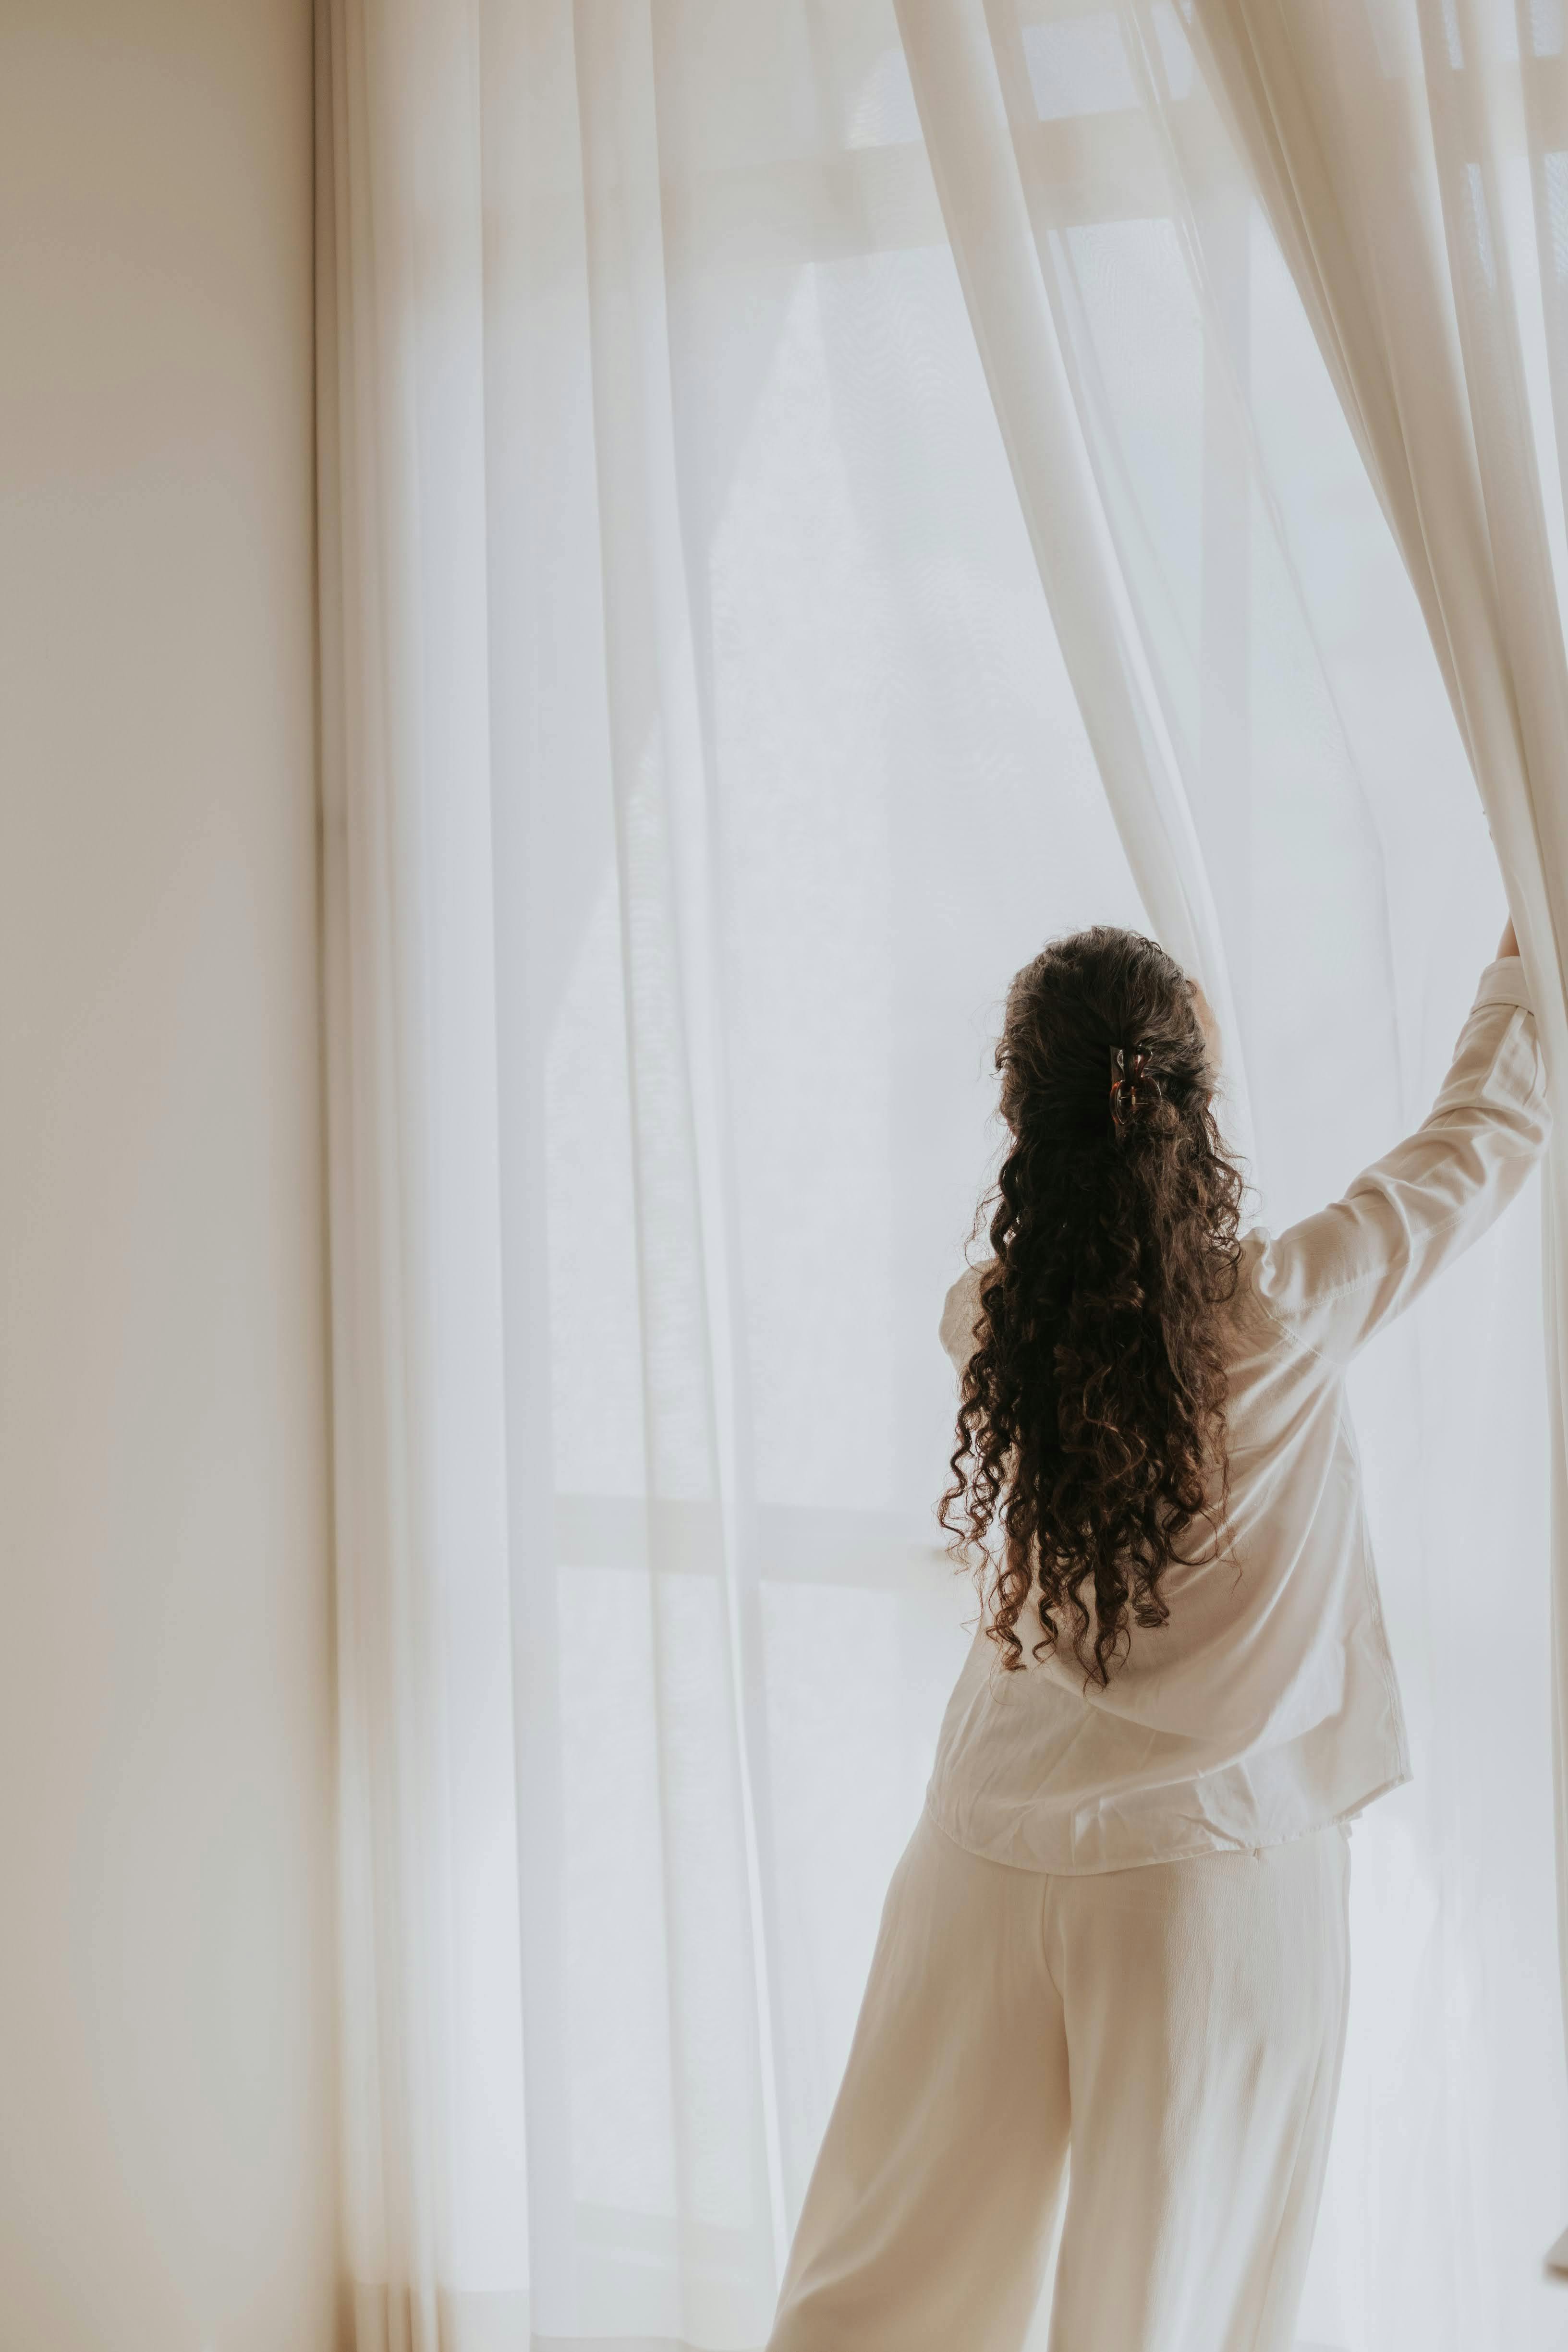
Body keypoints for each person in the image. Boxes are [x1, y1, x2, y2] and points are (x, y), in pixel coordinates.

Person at [766, 917, 1548, 2352]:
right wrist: (1525, 963)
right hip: (1207, 1880)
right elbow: (1479, 1140)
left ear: (1022, 1125)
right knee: (1164, 2319)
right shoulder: (1282, 1312)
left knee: (880, 2294)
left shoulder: (990, 1321)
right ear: (1192, 1107)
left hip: (984, 1853)